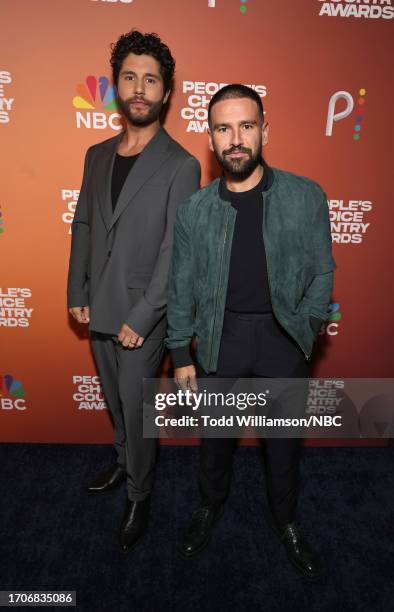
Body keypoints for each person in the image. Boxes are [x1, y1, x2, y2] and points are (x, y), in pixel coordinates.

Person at [166, 84, 335, 579]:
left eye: (246, 125)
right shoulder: (194, 211)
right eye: (223, 128)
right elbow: (180, 287)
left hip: (285, 341)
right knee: (216, 438)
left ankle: (286, 520)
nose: (235, 139)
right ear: (211, 138)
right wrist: (179, 353)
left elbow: (323, 271)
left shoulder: (306, 196)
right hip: (222, 338)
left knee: (283, 444)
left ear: (265, 129)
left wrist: (306, 324)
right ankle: (209, 506)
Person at [67, 30, 201, 553]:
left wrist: (144, 316)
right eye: (130, 77)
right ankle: (123, 464)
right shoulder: (96, 154)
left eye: (151, 79)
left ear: (166, 92)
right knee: (115, 404)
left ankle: (140, 494)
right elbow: (82, 224)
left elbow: (176, 252)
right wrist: (76, 286)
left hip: (143, 316)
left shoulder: (182, 164)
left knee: (138, 409)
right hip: (98, 302)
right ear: (117, 87)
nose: (139, 88)